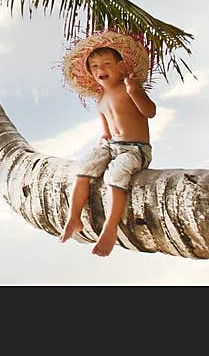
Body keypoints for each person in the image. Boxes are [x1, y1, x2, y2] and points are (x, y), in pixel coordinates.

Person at [58, 31, 157, 256]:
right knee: (84, 168)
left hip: (135, 148)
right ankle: (74, 218)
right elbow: (106, 132)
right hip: (112, 147)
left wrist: (135, 91)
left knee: (115, 175)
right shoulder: (101, 100)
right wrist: (103, 141)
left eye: (106, 64)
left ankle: (110, 228)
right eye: (94, 66)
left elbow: (150, 112)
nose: (100, 69)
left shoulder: (129, 88)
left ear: (120, 66)